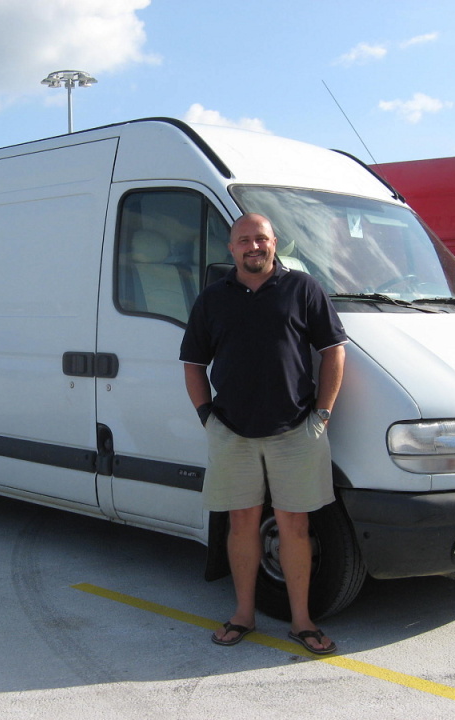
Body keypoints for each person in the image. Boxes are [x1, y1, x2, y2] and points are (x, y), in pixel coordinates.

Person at [179, 213, 347, 655]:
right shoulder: (212, 299)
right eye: (243, 240)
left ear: (275, 243)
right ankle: (243, 615)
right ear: (230, 249)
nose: (253, 246)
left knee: (295, 526)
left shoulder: (303, 289)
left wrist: (323, 414)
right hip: (232, 431)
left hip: (296, 430)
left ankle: (302, 622)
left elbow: (333, 352)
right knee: (242, 524)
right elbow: (193, 363)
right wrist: (207, 418)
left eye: (261, 239)